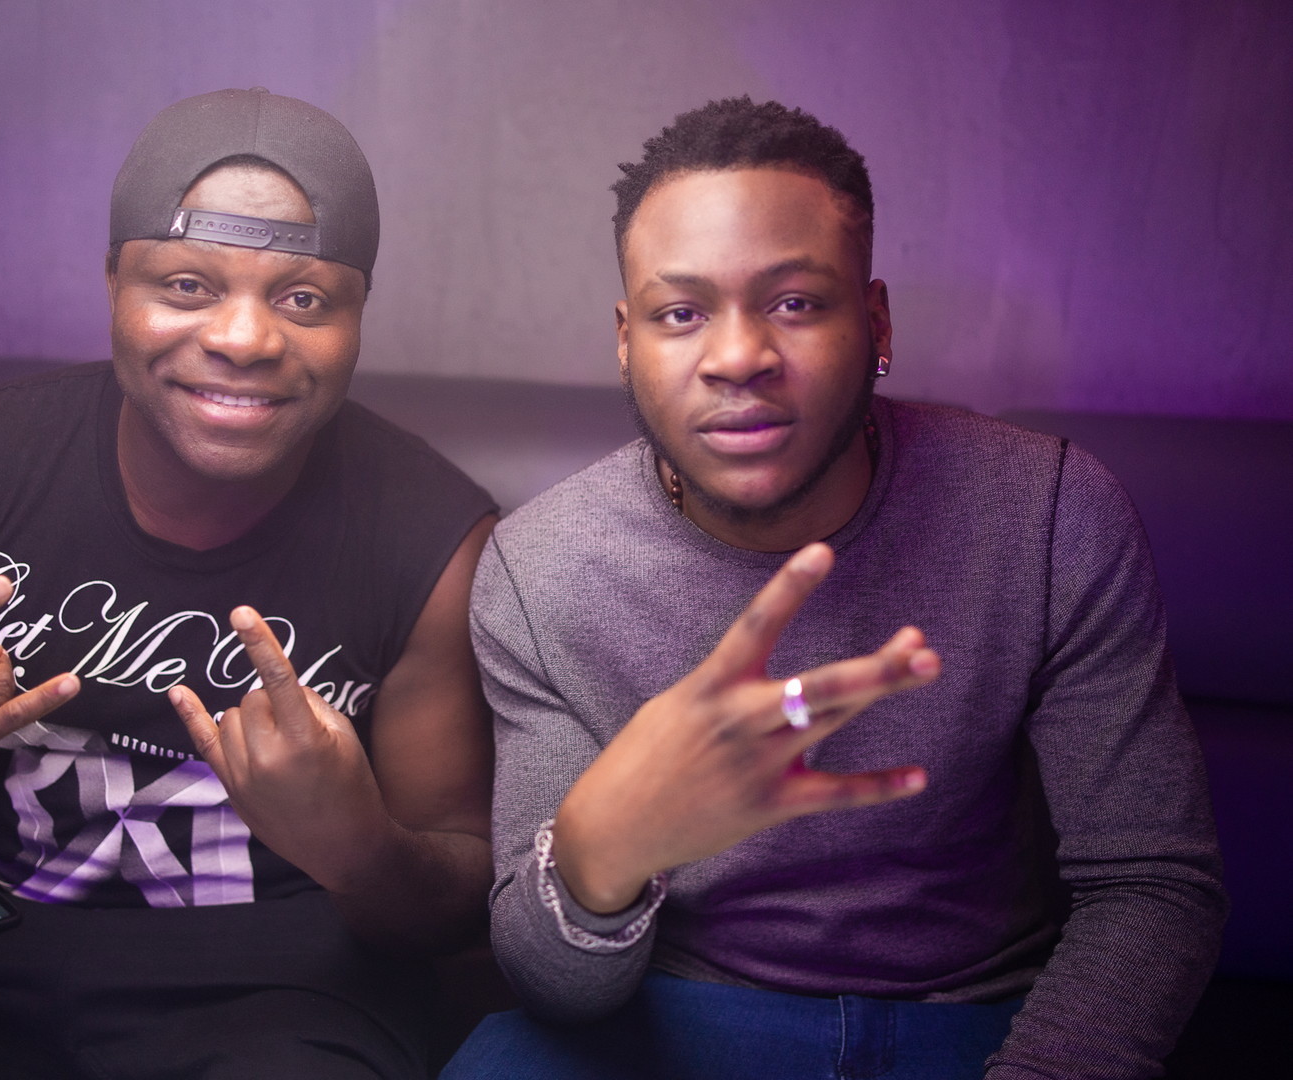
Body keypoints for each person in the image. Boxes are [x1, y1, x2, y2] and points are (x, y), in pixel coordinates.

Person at [0, 89, 497, 1079]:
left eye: (304, 299)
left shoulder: (434, 537)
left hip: (276, 984)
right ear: (113, 281)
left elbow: (457, 910)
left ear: (357, 316)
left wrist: (359, 847)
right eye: (187, 285)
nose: (244, 338)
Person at [444, 98, 1226, 1080]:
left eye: (795, 303)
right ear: (626, 339)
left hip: (979, 1018)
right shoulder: (540, 569)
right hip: (681, 1017)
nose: (739, 358)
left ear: (877, 321)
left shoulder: (1048, 513)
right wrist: (599, 856)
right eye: (680, 313)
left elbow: (1152, 886)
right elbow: (553, 989)